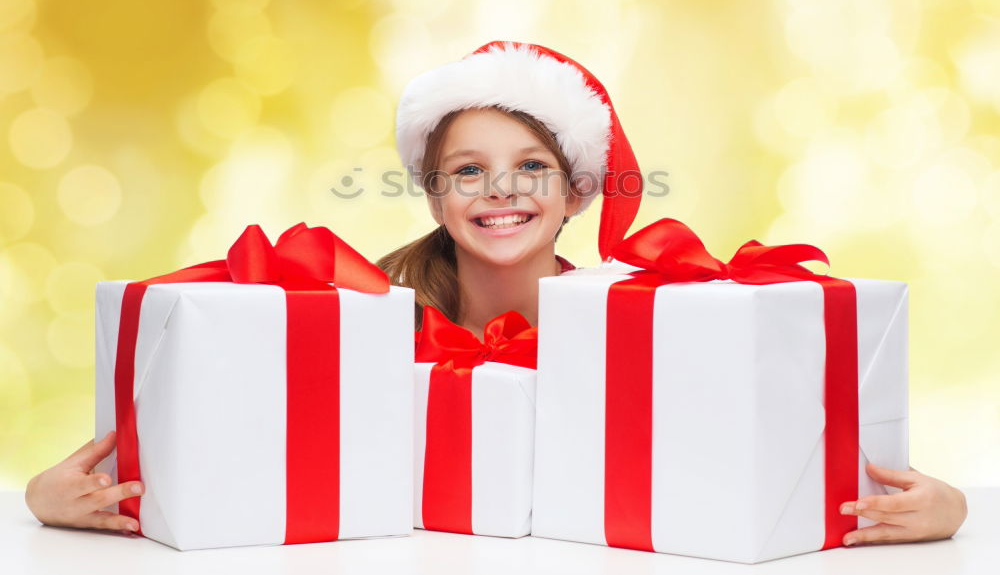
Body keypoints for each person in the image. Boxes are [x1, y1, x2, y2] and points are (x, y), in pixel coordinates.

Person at [26, 41, 966, 548]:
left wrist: (944, 512)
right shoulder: (353, 321)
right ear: (434, 193)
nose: (501, 190)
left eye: (531, 167)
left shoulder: (654, 328)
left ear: (577, 191)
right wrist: (47, 498)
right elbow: (215, 446)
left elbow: (774, 444)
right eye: (467, 170)